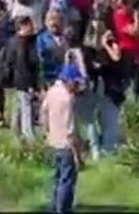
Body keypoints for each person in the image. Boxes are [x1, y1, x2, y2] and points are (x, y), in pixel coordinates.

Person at [42, 63, 87, 214]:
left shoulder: (51, 92)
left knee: (56, 178)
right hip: (66, 145)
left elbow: (44, 114)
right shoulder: (68, 99)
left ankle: (53, 207)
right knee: (67, 181)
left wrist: (47, 133)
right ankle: (63, 209)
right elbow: (71, 130)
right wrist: (78, 154)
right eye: (75, 82)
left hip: (53, 141)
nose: (76, 86)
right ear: (68, 80)